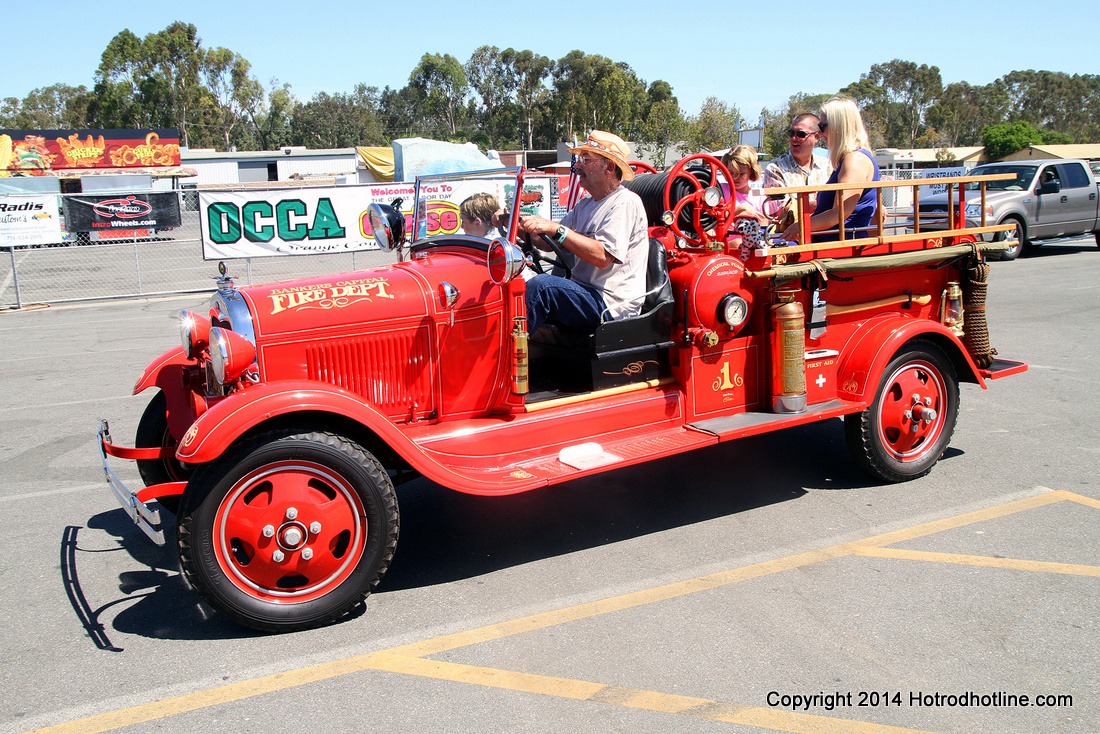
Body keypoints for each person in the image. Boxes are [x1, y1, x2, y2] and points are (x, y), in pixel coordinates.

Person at [517, 130, 649, 334]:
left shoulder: (625, 202)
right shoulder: (585, 204)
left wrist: (556, 228)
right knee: (516, 284)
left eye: (585, 159)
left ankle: (505, 361)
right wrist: (519, 227)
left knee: (543, 288)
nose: (577, 166)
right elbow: (553, 242)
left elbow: (603, 256)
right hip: (586, 294)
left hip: (610, 303)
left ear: (610, 167)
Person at [782, 97, 880, 243]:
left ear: (838, 126)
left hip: (840, 244)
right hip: (829, 240)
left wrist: (800, 227)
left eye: (822, 126)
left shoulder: (855, 160)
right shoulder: (848, 159)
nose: (820, 133)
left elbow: (839, 213)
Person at [763, 112, 833, 227]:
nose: (794, 138)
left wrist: (802, 206)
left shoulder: (829, 166)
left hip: (825, 232)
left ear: (816, 137)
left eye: (801, 134)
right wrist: (822, 204)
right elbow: (783, 212)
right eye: (791, 133)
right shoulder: (775, 169)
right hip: (790, 236)